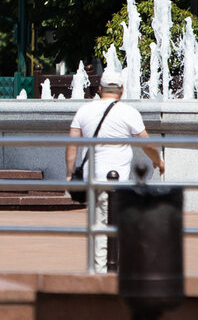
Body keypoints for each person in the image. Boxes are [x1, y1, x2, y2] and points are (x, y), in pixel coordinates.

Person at [65, 69, 165, 273]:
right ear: (122, 90)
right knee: (114, 225)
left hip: (91, 177)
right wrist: (158, 161)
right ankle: (106, 273)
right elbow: (146, 144)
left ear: (100, 89)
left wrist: (69, 173)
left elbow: (72, 145)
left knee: (97, 226)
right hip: (116, 181)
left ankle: (100, 269)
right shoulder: (128, 112)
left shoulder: (84, 111)